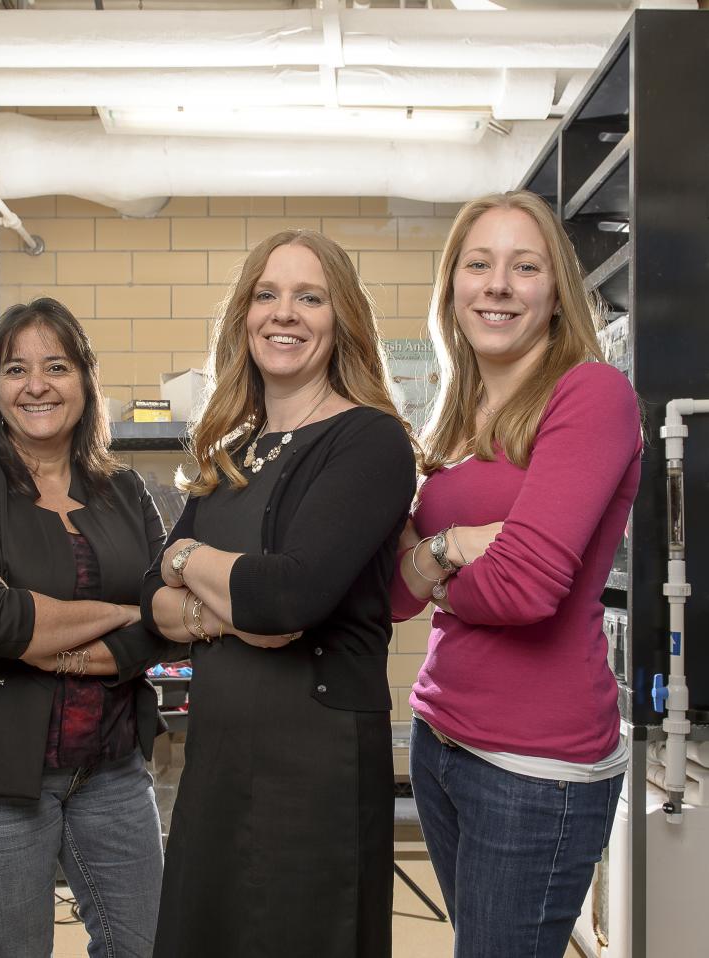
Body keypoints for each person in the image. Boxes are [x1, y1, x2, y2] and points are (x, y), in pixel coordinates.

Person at [134, 230, 417, 958]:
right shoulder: (235, 449)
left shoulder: (370, 441)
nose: (284, 314)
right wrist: (216, 599)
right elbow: (153, 604)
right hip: (223, 754)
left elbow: (284, 599)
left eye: (309, 297)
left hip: (315, 766)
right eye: (267, 295)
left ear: (341, 318)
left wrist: (188, 558)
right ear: (244, 316)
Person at [391, 191, 642, 958]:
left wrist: (435, 561)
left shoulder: (590, 394)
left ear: (555, 289)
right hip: (441, 736)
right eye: (479, 264)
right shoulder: (453, 417)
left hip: (535, 764)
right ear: (452, 287)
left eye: (523, 266)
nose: (498, 284)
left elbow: (526, 592)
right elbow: (395, 594)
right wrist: (459, 546)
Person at [0, 298, 170, 958]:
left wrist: (78, 641)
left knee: (146, 946)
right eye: (17, 369)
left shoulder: (124, 490)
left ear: (85, 380)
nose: (38, 385)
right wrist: (127, 611)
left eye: (57, 365)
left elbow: (166, 617)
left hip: (111, 768)